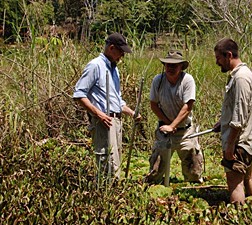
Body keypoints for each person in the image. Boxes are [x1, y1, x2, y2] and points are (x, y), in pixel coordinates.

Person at [73, 32, 140, 181]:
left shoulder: (114, 69)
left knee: (116, 162)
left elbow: (117, 100)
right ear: (111, 48)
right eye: (120, 52)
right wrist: (99, 114)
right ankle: (105, 195)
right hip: (103, 121)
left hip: (115, 121)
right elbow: (79, 95)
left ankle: (113, 195)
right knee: (107, 162)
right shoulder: (95, 65)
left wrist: (132, 113)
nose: (122, 56)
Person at [213, 38, 252, 204]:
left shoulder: (240, 78)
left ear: (229, 55)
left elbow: (239, 117)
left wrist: (230, 146)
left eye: (219, 58)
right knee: (249, 177)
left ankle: (237, 216)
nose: (217, 62)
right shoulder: (243, 75)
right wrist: (222, 121)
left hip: (240, 143)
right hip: (248, 140)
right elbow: (239, 109)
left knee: (235, 183)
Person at [145, 50, 203, 184]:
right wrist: (169, 125)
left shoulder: (187, 80)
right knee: (156, 170)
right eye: (168, 65)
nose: (170, 68)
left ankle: (192, 190)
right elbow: (154, 105)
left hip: (185, 131)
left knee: (193, 169)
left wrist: (174, 125)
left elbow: (188, 106)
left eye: (174, 65)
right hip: (165, 130)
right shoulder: (158, 80)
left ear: (181, 66)